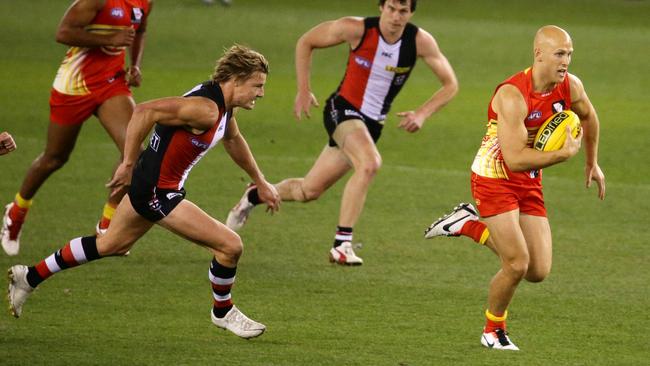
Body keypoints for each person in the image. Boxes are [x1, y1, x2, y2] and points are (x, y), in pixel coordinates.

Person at [7, 45, 281, 339]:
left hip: (151, 186)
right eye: (258, 85)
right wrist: (127, 162)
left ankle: (28, 277)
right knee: (230, 246)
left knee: (109, 244)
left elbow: (233, 139)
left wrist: (260, 181)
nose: (261, 93)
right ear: (237, 80)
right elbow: (144, 111)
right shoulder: (206, 109)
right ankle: (223, 312)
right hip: (157, 192)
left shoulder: (224, 108)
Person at [226, 0, 458, 265]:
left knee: (308, 191)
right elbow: (306, 42)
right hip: (342, 110)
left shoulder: (420, 41)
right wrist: (303, 90)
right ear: (381, 7)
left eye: (403, 11)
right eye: (391, 8)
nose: (396, 17)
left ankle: (255, 194)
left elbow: (450, 84)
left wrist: (422, 113)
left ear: (411, 13)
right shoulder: (356, 29)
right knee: (370, 164)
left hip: (372, 126)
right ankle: (342, 244)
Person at [424, 25, 606, 350]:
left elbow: (589, 117)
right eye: (559, 53)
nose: (566, 61)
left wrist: (591, 161)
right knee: (517, 264)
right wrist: (563, 154)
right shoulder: (512, 95)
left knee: (537, 270)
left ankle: (465, 224)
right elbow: (514, 159)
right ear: (538, 54)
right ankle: (492, 330)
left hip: (529, 179)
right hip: (494, 177)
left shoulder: (569, 86)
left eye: (569, 54)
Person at [1, 0, 152, 256]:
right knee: (55, 157)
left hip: (111, 84)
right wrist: (110, 36)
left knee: (135, 153)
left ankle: (107, 226)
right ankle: (16, 211)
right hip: (74, 86)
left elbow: (140, 30)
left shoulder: (145, 1)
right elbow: (64, 32)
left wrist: (135, 64)